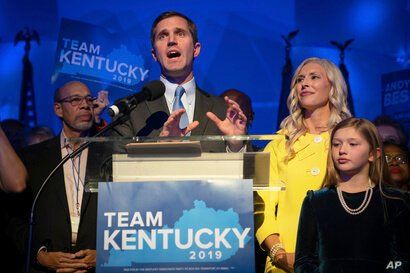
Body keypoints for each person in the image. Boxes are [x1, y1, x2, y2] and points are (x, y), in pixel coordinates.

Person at [256, 57, 351, 273]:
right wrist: (278, 253)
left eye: (314, 77)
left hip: (341, 261)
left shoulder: (350, 142)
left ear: (333, 86)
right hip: (285, 261)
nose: (304, 83)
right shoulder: (277, 145)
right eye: (299, 79)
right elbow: (261, 207)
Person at [113, 11, 246, 152]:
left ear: (196, 50)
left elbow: (247, 170)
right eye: (163, 36)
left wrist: (236, 146)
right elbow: (113, 166)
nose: (171, 40)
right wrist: (159, 147)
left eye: (180, 33)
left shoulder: (223, 111)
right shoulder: (130, 109)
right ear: (154, 55)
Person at [294, 118, 410, 273]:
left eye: (352, 144)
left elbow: (404, 260)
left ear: (373, 154)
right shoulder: (316, 201)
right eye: (336, 144)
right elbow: (303, 262)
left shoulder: (396, 201)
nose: (342, 150)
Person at [19, 80, 110, 272]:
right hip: (49, 266)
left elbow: (129, 213)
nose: (85, 105)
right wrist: (39, 254)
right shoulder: (32, 157)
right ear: (58, 109)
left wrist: (106, 253)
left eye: (88, 99)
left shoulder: (109, 155)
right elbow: (13, 217)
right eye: (75, 100)